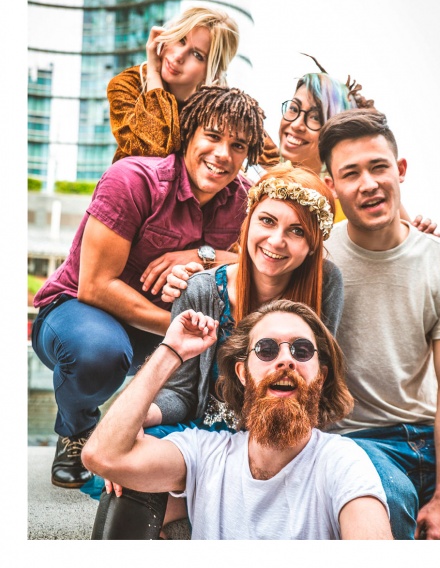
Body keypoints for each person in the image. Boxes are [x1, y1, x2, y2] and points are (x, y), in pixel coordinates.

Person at [88, 164, 344, 538]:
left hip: (279, 436)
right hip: (203, 434)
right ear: (248, 223)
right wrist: (141, 416)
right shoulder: (202, 290)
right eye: (268, 221)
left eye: (297, 231)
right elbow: (180, 392)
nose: (276, 241)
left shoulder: (327, 283)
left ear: (312, 246)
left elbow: (319, 386)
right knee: (127, 480)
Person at [30, 85, 267, 489]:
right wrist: (180, 330)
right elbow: (95, 286)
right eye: (212, 136)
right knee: (99, 354)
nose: (224, 154)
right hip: (78, 313)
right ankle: (75, 430)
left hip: (161, 329)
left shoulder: (247, 202)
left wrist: (202, 253)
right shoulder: (133, 179)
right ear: (189, 133)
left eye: (238, 145)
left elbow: (265, 255)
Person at [81, 301, 393, 540]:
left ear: (321, 377)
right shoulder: (204, 453)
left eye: (302, 350)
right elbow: (102, 455)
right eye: (266, 349)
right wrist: (171, 351)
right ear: (243, 374)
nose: (286, 359)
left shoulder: (342, 462)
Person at [317, 109, 440, 539]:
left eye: (378, 167)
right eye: (350, 174)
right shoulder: (318, 260)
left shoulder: (439, 260)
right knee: (390, 507)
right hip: (360, 441)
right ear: (332, 187)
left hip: (433, 434)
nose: (368, 184)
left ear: (400, 170)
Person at [263, 54, 437, 234]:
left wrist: (423, 241)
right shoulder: (264, 184)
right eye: (293, 109)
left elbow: (411, 240)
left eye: (315, 117)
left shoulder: (356, 193)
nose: (297, 124)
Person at [107, 6, 279, 166]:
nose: (179, 56)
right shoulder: (128, 85)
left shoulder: (220, 108)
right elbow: (152, 151)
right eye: (181, 40)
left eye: (197, 55)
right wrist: (153, 73)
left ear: (212, 70)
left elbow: (274, 163)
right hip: (131, 194)